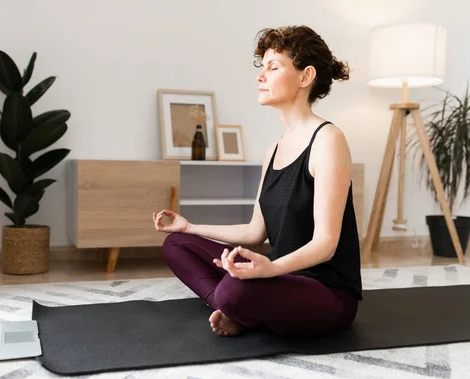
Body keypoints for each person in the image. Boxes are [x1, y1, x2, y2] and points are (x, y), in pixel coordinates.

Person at [152, 25, 362, 339]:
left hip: (326, 292)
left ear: (305, 77)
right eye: (261, 67)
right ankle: (230, 309)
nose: (260, 76)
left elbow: (326, 245)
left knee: (236, 288)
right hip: (277, 279)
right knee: (177, 245)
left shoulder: (329, 140)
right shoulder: (273, 151)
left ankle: (236, 307)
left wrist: (269, 269)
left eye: (273, 67)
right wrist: (189, 227)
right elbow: (254, 232)